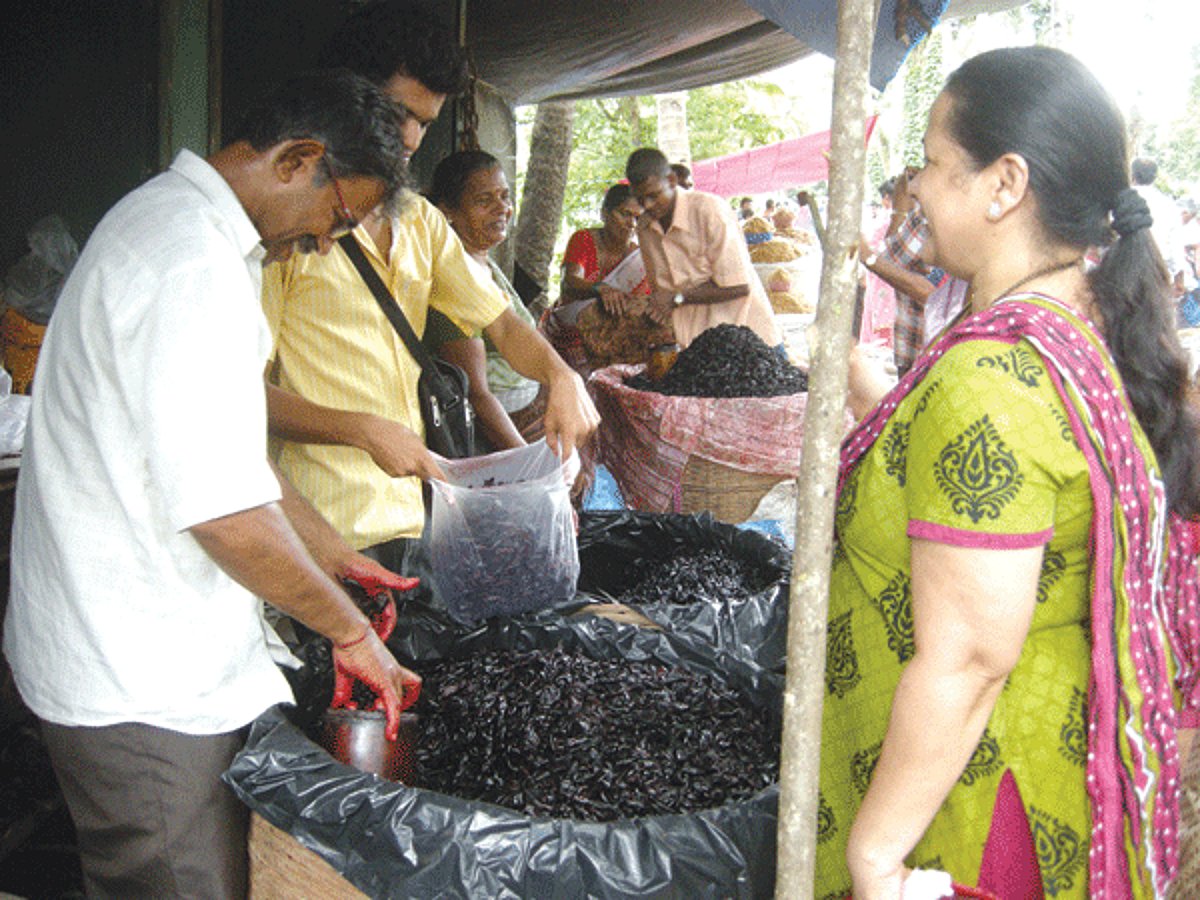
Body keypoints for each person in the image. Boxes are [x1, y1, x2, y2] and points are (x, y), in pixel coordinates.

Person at [2, 70, 423, 898]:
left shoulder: (168, 224)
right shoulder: (189, 262)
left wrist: (336, 555)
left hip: (149, 658)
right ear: (299, 159)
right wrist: (347, 630)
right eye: (338, 217)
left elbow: (226, 455)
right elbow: (225, 516)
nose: (329, 242)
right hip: (141, 684)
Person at [819, 46, 1200, 899]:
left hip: (974, 811)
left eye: (934, 162)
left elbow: (969, 659)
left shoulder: (992, 376)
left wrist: (876, 856)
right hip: (1041, 759)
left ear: (1004, 184)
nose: (915, 185)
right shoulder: (1071, 331)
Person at [264, 1, 599, 572]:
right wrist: (363, 432)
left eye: (425, 120)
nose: (413, 139)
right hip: (324, 528)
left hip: (418, 514)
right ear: (348, 101)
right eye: (400, 115)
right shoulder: (286, 231)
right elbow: (240, 398)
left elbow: (501, 323)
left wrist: (560, 376)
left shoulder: (420, 222)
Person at [422, 149, 544, 451]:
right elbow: (476, 395)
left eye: (504, 196)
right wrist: (528, 462)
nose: (501, 208)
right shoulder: (451, 282)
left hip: (526, 416)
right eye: (484, 200)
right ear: (448, 211)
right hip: (499, 433)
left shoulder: (483, 263)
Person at [626, 147, 783, 353]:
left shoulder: (709, 210)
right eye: (640, 199)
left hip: (750, 342)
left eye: (654, 196)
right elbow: (662, 294)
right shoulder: (645, 229)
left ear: (672, 180)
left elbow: (739, 286)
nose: (648, 205)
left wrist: (677, 298)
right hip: (697, 348)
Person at [543, 182, 658, 377]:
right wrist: (599, 289)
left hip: (614, 329)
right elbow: (569, 282)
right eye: (625, 214)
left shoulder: (639, 257)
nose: (632, 223)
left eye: (638, 218)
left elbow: (637, 305)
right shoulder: (584, 239)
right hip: (572, 319)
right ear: (604, 214)